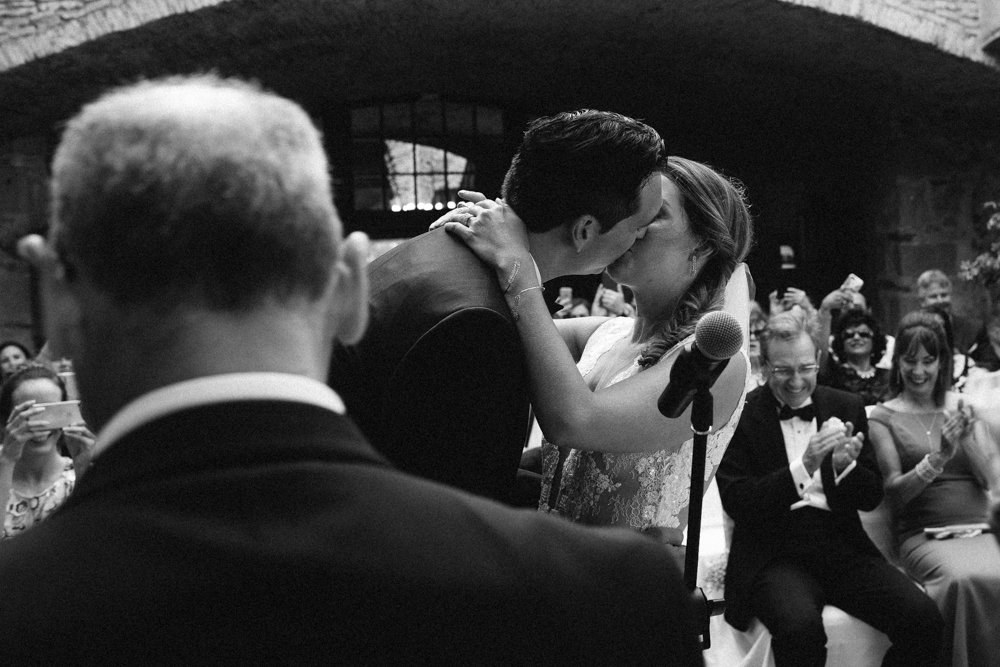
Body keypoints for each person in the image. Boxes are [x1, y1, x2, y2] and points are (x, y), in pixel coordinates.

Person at [1, 75, 704, 664]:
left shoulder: (29, 608)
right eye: (639, 223)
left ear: (55, 301)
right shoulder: (611, 599)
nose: (642, 237)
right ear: (344, 289)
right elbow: (456, 497)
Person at [329, 109, 665, 506]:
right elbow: (460, 505)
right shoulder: (479, 326)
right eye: (639, 226)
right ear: (585, 231)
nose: (643, 237)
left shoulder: (456, 250)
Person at [441, 156, 753, 549]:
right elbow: (492, 332)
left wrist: (517, 262)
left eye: (654, 214)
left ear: (703, 244)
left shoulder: (714, 365)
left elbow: (574, 420)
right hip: (552, 562)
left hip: (622, 578)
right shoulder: (607, 333)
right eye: (630, 209)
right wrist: (502, 235)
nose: (629, 224)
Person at [716, 307, 943, 667]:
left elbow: (871, 497)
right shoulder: (739, 415)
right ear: (765, 366)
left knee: (924, 619)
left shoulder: (846, 405)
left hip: (841, 546)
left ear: (819, 359)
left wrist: (844, 467)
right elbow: (738, 502)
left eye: (805, 368)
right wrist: (804, 466)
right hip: (773, 553)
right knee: (800, 631)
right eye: (783, 370)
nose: (796, 381)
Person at [868, 311, 1000, 666]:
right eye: (910, 360)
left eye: (928, 360)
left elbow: (988, 481)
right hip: (924, 534)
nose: (919, 371)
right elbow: (895, 493)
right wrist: (938, 458)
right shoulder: (882, 417)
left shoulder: (961, 407)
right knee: (961, 580)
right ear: (897, 363)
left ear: (942, 362)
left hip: (980, 527)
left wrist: (966, 440)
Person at [0, 364, 93, 539]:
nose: (42, 426)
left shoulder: (75, 476)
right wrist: (7, 460)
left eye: (52, 412)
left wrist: (85, 472)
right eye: (29, 415)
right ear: (6, 421)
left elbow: (92, 541)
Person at [818, 308, 890, 406]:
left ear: (875, 340)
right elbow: (821, 351)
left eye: (863, 334)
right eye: (849, 335)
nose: (856, 338)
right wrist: (825, 309)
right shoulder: (834, 375)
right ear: (841, 342)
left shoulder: (888, 376)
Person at [916, 269, 980, 354]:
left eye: (944, 295)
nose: (940, 301)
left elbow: (990, 361)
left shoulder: (974, 329)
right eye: (933, 296)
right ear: (922, 302)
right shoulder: (911, 331)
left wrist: (967, 361)